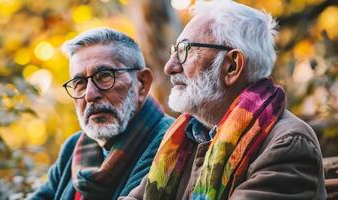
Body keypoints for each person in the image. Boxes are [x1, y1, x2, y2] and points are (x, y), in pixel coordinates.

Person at [120, 1, 326, 199]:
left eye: (184, 51)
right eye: (175, 51)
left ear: (232, 67)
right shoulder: (186, 136)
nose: (169, 66)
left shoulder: (288, 144)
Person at [31, 28, 174, 200]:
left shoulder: (170, 143)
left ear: (142, 83)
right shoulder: (73, 148)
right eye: (79, 83)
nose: (90, 95)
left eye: (104, 75)